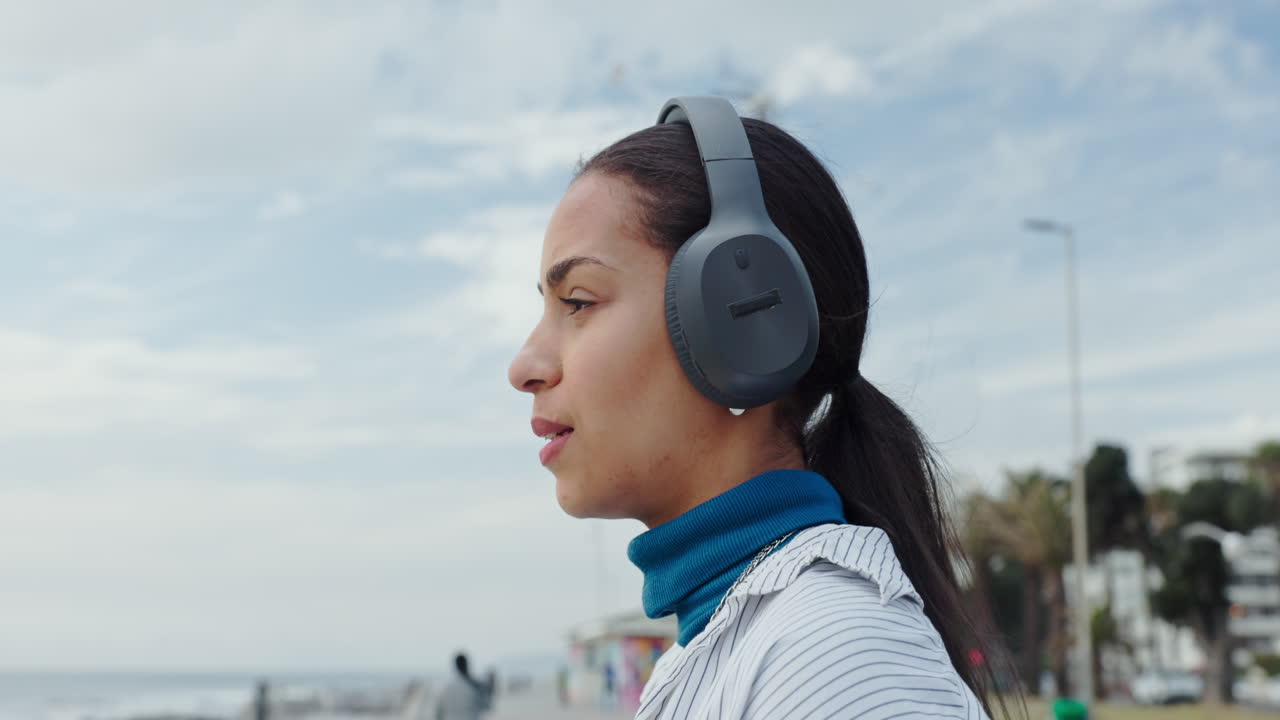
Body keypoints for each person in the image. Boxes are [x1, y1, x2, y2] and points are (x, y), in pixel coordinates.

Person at [507, 95, 1017, 720]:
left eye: (578, 302)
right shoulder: (754, 646)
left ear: (744, 319)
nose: (524, 367)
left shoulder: (835, 660)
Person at [434, 652, 485, 720]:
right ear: (467, 665)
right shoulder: (473, 688)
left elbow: (438, 712)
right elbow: (485, 705)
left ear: (456, 666)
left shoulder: (445, 687)